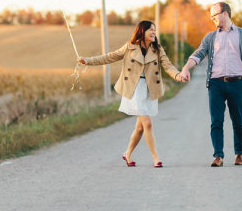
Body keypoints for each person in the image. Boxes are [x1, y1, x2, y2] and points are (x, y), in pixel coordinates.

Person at [78, 20, 182, 168]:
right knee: (148, 123)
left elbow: (168, 65)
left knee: (140, 128)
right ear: (142, 31)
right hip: (134, 89)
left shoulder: (157, 49)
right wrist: (87, 61)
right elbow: (109, 57)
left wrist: (177, 75)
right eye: (151, 30)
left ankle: (127, 153)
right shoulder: (130, 47)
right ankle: (156, 158)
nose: (154, 32)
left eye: (155, 30)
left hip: (149, 89)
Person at [179, 2, 242, 167]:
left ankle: (240, 153)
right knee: (216, 121)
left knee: (238, 120)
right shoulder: (210, 37)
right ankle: (218, 156)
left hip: (237, 83)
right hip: (216, 84)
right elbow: (198, 54)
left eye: (214, 15)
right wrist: (185, 68)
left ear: (225, 13)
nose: (212, 18)